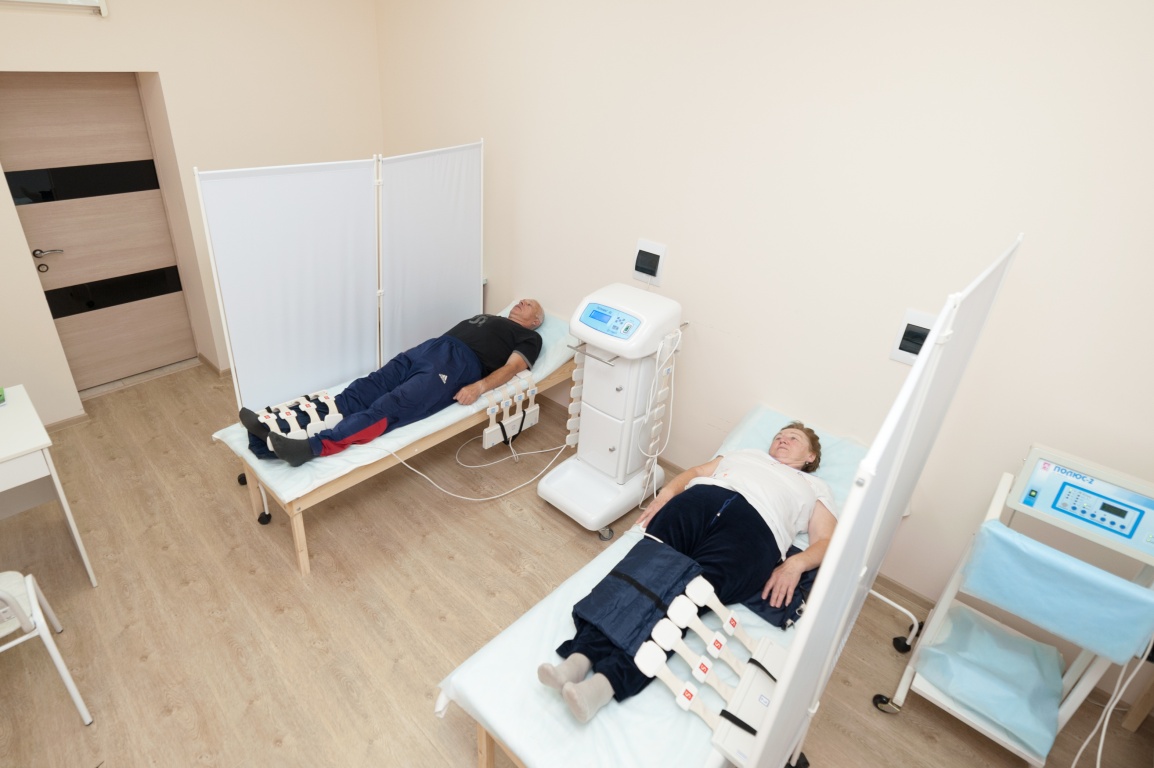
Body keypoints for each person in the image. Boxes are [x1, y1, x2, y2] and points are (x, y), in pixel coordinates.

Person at [537, 422, 837, 722]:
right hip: (695, 505)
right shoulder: (745, 454)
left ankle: (605, 684)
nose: (782, 440)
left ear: (810, 456)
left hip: (753, 534)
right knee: (639, 574)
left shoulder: (814, 488)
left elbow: (827, 540)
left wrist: (796, 563)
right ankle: (578, 660)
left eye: (793, 438)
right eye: (779, 436)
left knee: (684, 603)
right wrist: (666, 494)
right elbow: (696, 472)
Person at [240, 299, 545, 467]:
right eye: (522, 300)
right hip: (430, 348)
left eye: (530, 304)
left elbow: (512, 368)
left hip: (457, 366)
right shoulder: (491, 317)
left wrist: (478, 388)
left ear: (536, 321)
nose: (522, 302)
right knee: (362, 390)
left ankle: (311, 447)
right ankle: (272, 434)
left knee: (390, 406)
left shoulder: (530, 337)